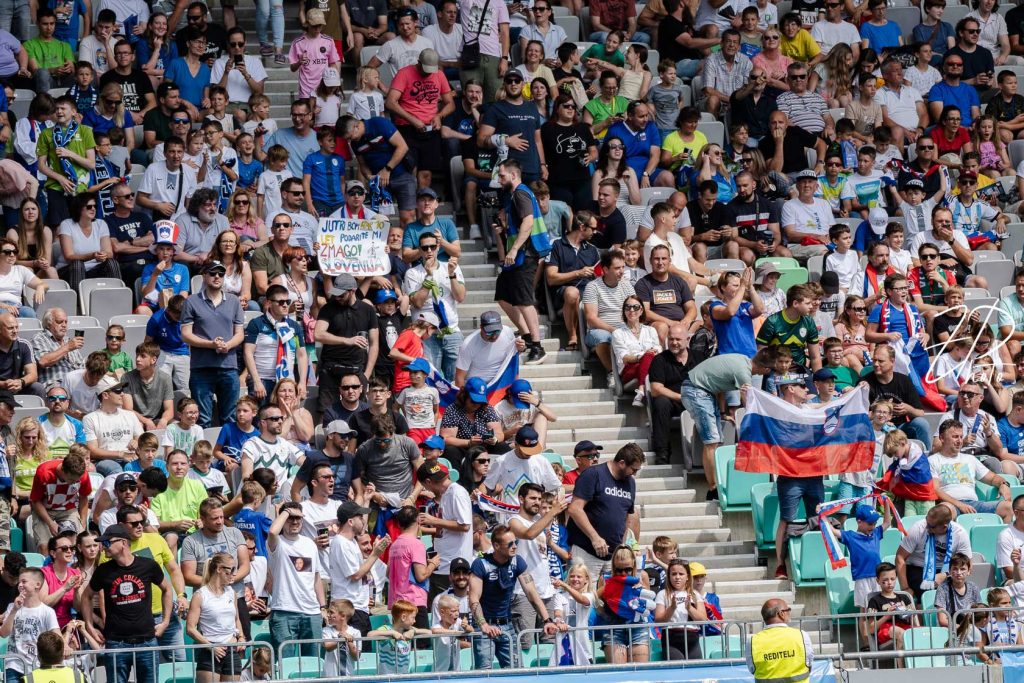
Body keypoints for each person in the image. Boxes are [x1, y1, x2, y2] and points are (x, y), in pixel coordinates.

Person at [82, 523, 174, 683]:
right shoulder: (103, 570)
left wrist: (165, 621)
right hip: (116, 643)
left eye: (107, 542)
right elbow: (86, 596)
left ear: (123, 542)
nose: (103, 547)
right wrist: (90, 626)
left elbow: (167, 589)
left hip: (147, 641)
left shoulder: (148, 565)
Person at [469, 523, 558, 669]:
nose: (515, 546)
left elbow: (532, 593)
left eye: (515, 542)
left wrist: (547, 620)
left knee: (517, 670)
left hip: (507, 625)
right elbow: (473, 598)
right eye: (510, 544)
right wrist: (483, 624)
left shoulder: (517, 561)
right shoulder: (481, 564)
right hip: (485, 626)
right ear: (496, 546)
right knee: (484, 672)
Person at [180, 260, 244, 427]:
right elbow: (186, 334)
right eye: (212, 273)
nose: (217, 277)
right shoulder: (191, 301)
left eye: (221, 274)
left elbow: (239, 334)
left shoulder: (234, 301)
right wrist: (211, 345)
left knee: (230, 419)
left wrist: (228, 345)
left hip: (229, 367)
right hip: (201, 367)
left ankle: (227, 446)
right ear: (204, 275)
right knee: (202, 420)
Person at [566, 443, 643, 578]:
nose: (634, 473)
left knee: (612, 592)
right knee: (584, 590)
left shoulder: (630, 482)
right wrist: (595, 538)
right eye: (633, 469)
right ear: (622, 463)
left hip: (613, 555)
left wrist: (622, 545)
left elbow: (626, 515)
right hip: (586, 551)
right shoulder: (593, 474)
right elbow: (575, 509)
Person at [267, 502, 325, 658]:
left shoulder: (310, 544)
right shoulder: (277, 542)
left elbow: (316, 578)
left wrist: (323, 607)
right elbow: (272, 532)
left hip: (311, 612)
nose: (294, 521)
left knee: (314, 664)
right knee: (286, 664)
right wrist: (286, 511)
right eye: (290, 518)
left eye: (298, 518)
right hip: (284, 611)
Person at [185, 550, 245, 682]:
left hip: (231, 650)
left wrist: (241, 637)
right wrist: (211, 647)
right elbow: (190, 628)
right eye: (231, 569)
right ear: (219, 569)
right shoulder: (200, 595)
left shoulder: (231, 592)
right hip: (209, 650)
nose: (234, 573)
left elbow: (236, 619)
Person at [896, 504, 972, 597]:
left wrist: (946, 575)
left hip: (948, 570)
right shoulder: (918, 528)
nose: (927, 527)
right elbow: (900, 557)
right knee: (926, 588)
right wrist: (905, 588)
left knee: (958, 590)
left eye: (931, 526)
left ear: (944, 527)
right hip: (918, 567)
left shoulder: (960, 534)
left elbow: (967, 563)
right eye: (926, 521)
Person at [29, 450, 90, 553]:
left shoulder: (82, 475)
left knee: (81, 543)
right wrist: (50, 523)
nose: (75, 483)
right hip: (45, 510)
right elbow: (35, 501)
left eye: (77, 480)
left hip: (68, 509)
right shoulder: (44, 473)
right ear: (63, 470)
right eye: (72, 480)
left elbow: (84, 497)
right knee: (45, 546)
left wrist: (83, 523)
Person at [747, 598, 814, 683]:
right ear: (781, 614)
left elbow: (752, 669)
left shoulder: (752, 641)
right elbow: (809, 665)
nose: (789, 613)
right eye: (788, 610)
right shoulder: (802, 636)